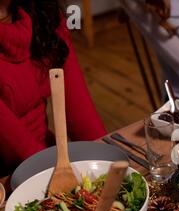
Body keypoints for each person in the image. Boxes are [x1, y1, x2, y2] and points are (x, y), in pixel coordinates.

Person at [0, 0, 107, 176]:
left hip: (47, 160)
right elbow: (15, 144)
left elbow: (83, 118)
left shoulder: (43, 11)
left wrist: (106, 164)